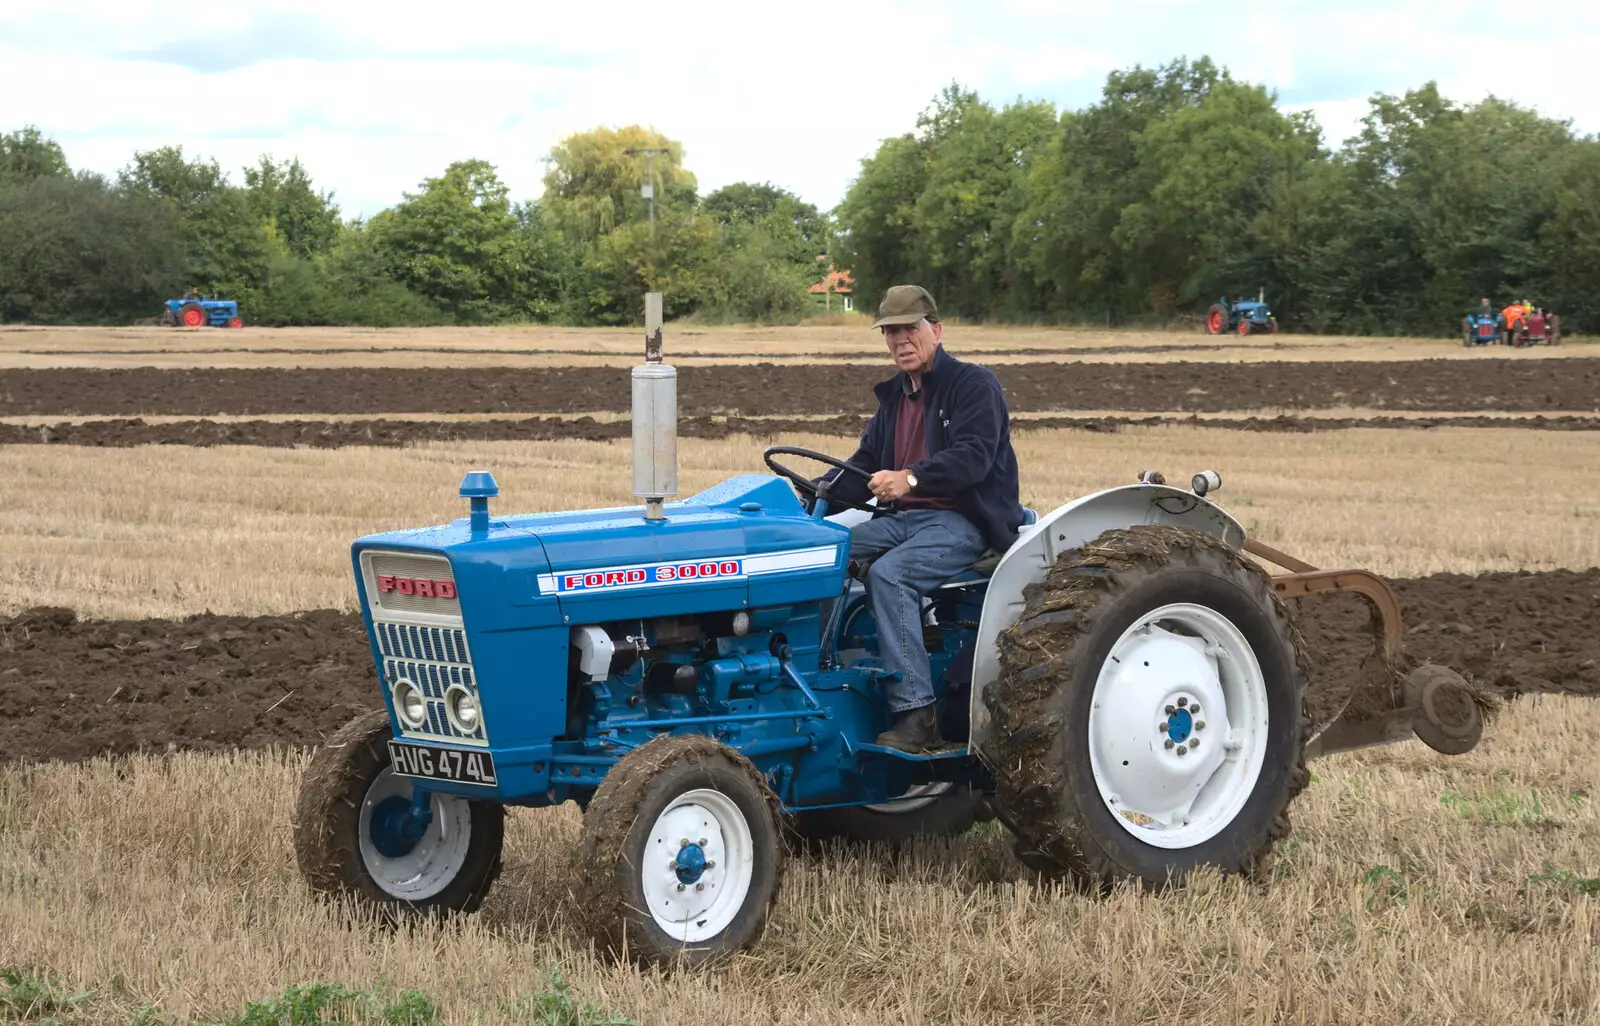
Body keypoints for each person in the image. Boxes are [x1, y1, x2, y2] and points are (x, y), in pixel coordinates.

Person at [819, 284, 1025, 752]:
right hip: (904, 521)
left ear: (936, 329)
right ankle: (825, 679)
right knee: (824, 556)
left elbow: (973, 457)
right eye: (891, 331)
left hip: (962, 522)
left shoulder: (973, 385)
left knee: (892, 576)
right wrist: (809, 500)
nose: (900, 340)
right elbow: (863, 466)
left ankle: (917, 715)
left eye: (910, 328)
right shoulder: (894, 399)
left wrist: (910, 479)